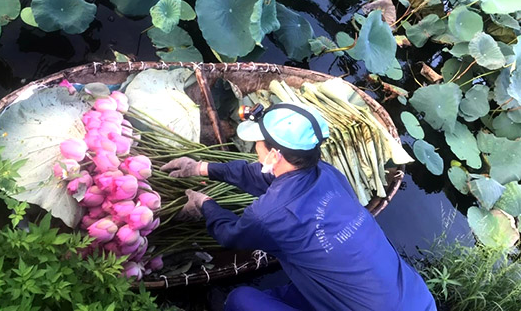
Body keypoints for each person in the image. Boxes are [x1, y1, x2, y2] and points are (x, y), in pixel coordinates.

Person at [160, 102, 436, 311]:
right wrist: (202, 167)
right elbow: (259, 174)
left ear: (274, 154)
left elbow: (230, 234)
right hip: (417, 299)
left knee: (240, 300)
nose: (255, 146)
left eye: (258, 142)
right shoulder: (327, 174)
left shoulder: (269, 215)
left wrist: (204, 204)